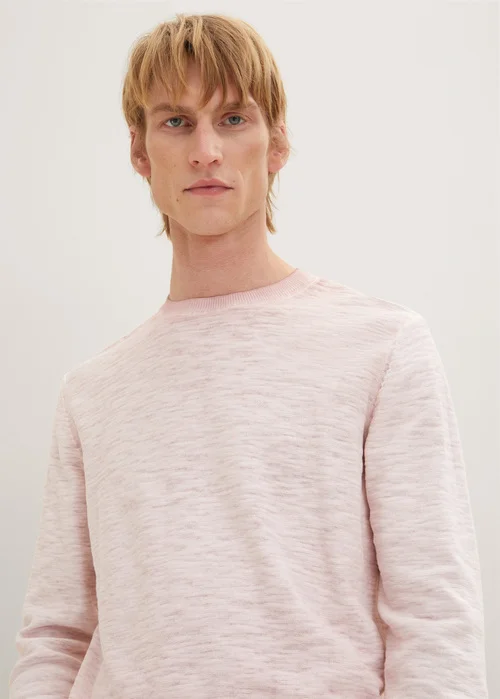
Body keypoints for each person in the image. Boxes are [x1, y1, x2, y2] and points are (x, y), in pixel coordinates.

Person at [9, 12, 489, 699]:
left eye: (233, 119)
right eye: (177, 122)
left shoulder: (382, 348)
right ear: (140, 152)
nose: (206, 150)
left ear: (277, 143)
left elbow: (435, 620)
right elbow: (58, 636)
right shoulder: (92, 392)